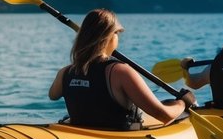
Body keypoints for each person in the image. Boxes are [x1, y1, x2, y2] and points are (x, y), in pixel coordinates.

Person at [49, 8, 196, 129]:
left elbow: (53, 95)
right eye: (117, 33)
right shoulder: (120, 72)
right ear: (109, 37)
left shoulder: (65, 72)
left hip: (82, 134)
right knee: (179, 111)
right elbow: (164, 116)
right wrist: (183, 103)